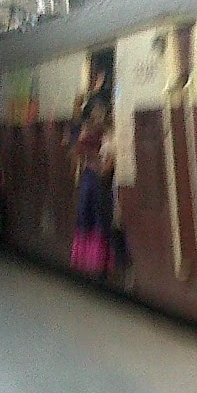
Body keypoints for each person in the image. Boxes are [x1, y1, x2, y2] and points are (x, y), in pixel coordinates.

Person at [69, 98, 115, 277]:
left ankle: (95, 261)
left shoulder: (105, 134)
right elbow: (76, 151)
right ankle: (91, 261)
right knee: (88, 215)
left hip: (96, 179)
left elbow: (77, 152)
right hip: (92, 177)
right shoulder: (92, 130)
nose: (98, 115)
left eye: (100, 112)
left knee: (95, 216)